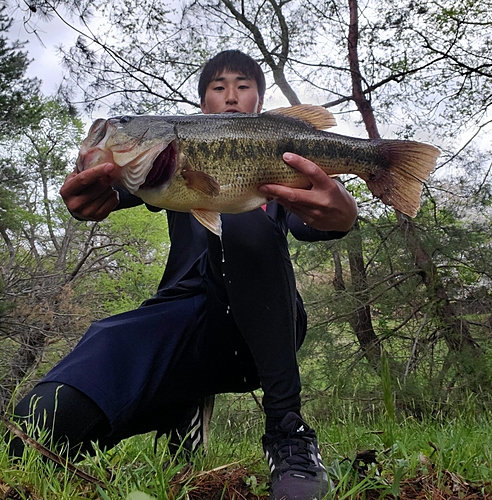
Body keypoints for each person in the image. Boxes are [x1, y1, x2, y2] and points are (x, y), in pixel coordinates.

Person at [9, 50, 357, 500]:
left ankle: (289, 431)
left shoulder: (283, 161)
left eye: (243, 85)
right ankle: (180, 404)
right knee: (36, 429)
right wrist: (90, 194)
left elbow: (310, 224)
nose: (231, 95)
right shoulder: (166, 161)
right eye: (217, 87)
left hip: (264, 331)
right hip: (179, 321)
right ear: (201, 107)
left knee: (245, 222)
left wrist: (342, 217)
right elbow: (118, 185)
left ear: (260, 100)